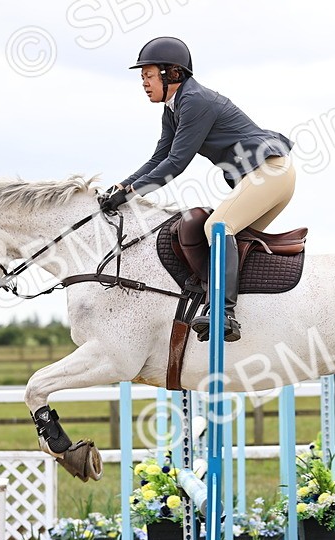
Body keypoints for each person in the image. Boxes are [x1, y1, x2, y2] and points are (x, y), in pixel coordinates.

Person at [102, 36, 296, 342]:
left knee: (218, 227)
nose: (143, 82)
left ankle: (224, 312)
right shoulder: (172, 109)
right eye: (142, 77)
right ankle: (254, 313)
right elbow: (159, 157)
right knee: (234, 244)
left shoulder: (194, 102)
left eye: (148, 75)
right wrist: (124, 185)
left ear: (172, 74)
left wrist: (131, 193)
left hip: (269, 172)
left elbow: (177, 163)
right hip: (263, 175)